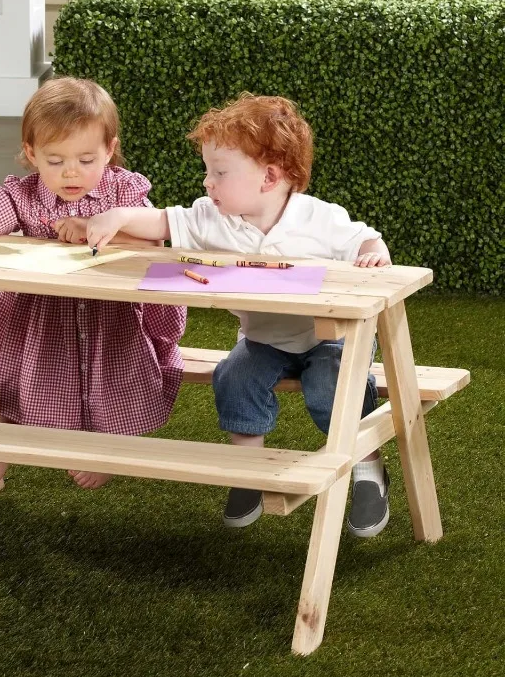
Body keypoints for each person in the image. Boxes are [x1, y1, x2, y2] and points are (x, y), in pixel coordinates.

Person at [85, 92, 392, 537]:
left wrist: (373, 256)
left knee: (332, 386)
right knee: (234, 375)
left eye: (220, 173)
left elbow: (366, 240)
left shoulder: (319, 219)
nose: (208, 183)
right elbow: (162, 223)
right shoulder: (215, 219)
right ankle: (247, 470)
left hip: (331, 339)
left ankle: (367, 470)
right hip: (264, 341)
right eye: (208, 171)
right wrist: (116, 216)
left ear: (269, 177)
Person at [0, 77, 186, 491]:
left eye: (86, 159)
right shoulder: (25, 194)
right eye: (55, 161)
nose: (71, 172)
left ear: (109, 150)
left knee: (116, 377)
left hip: (113, 316)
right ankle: (9, 439)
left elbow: (155, 239)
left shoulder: (122, 190)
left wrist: (95, 226)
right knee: (26, 375)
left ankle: (105, 445)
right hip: (42, 314)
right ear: (32, 154)